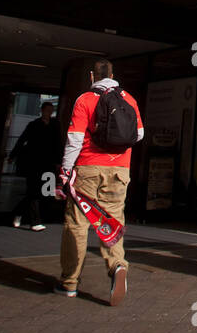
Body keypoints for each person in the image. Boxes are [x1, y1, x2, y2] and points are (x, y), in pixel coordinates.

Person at [55, 59, 143, 305]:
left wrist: (65, 171)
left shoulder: (85, 99)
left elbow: (74, 139)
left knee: (77, 224)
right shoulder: (129, 99)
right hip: (119, 170)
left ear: (92, 76)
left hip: (88, 169)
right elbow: (139, 134)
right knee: (112, 221)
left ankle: (69, 282)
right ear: (113, 74)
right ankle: (117, 265)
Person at [10, 101, 59, 231]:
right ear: (42, 110)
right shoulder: (33, 125)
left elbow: (58, 144)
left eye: (51, 110)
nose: (49, 113)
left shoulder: (55, 125)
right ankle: (35, 222)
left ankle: (18, 212)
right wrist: (12, 155)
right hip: (34, 163)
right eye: (47, 110)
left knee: (45, 193)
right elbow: (22, 140)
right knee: (34, 191)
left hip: (48, 164)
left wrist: (60, 161)